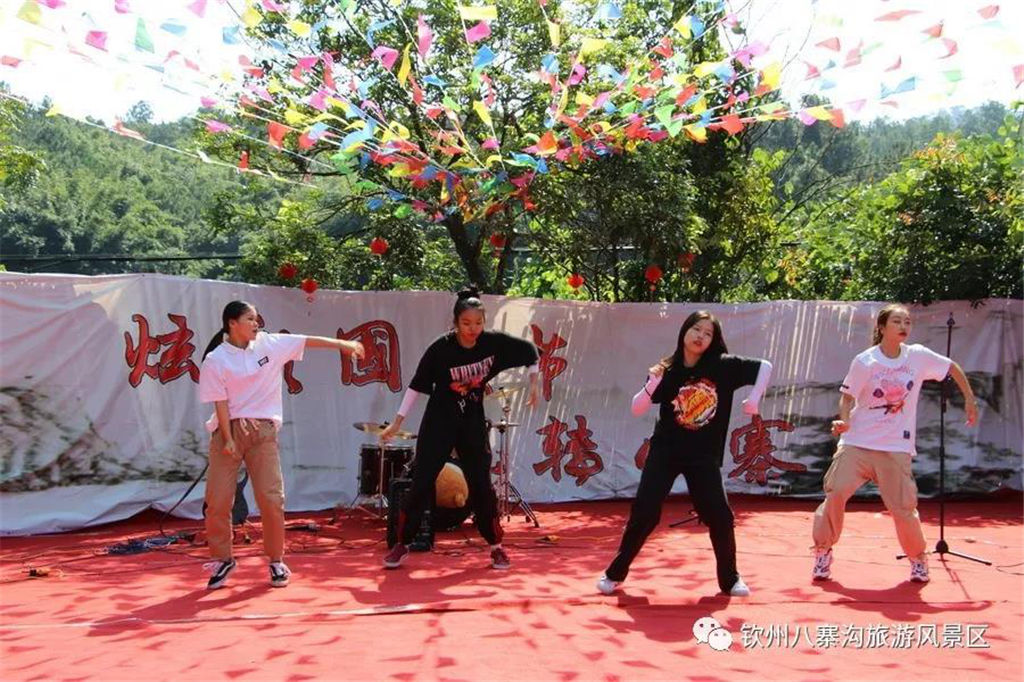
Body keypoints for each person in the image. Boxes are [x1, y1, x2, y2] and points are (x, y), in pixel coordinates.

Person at [597, 311, 772, 597]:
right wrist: (651, 384)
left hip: (703, 456)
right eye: (696, 329)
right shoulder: (667, 369)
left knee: (719, 516)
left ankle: (730, 579)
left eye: (708, 333)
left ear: (713, 340)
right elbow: (637, 408)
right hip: (665, 452)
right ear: (685, 331)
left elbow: (764, 366)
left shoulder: (723, 366)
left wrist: (754, 400)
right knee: (645, 512)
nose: (700, 336)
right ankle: (614, 574)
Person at [198, 300, 364, 590]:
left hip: (262, 432)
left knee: (271, 498)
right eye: (250, 319)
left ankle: (276, 560)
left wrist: (343, 344)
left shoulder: (270, 344)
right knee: (218, 501)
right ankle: (223, 559)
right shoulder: (216, 359)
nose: (256, 323)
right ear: (232, 323)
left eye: (257, 318)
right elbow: (220, 402)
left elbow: (307, 340)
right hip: (228, 432)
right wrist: (228, 439)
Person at [811, 304, 978, 583]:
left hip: (895, 448)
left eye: (907, 322)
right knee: (835, 492)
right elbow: (847, 397)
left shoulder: (918, 356)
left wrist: (969, 400)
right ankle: (822, 551)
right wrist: (845, 422)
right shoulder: (866, 361)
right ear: (882, 327)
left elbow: (952, 367)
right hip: (857, 443)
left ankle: (918, 560)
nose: (904, 326)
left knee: (903, 508)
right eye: (897, 321)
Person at [379, 288, 540, 570]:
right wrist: (397, 422)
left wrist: (534, 384)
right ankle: (402, 544)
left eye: (478, 323)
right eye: (466, 323)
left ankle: (496, 546)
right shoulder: (440, 349)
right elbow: (416, 386)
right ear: (455, 323)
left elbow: (530, 352)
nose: (473, 329)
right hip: (439, 422)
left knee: (481, 485)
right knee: (421, 482)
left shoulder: (492, 344)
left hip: (471, 423)